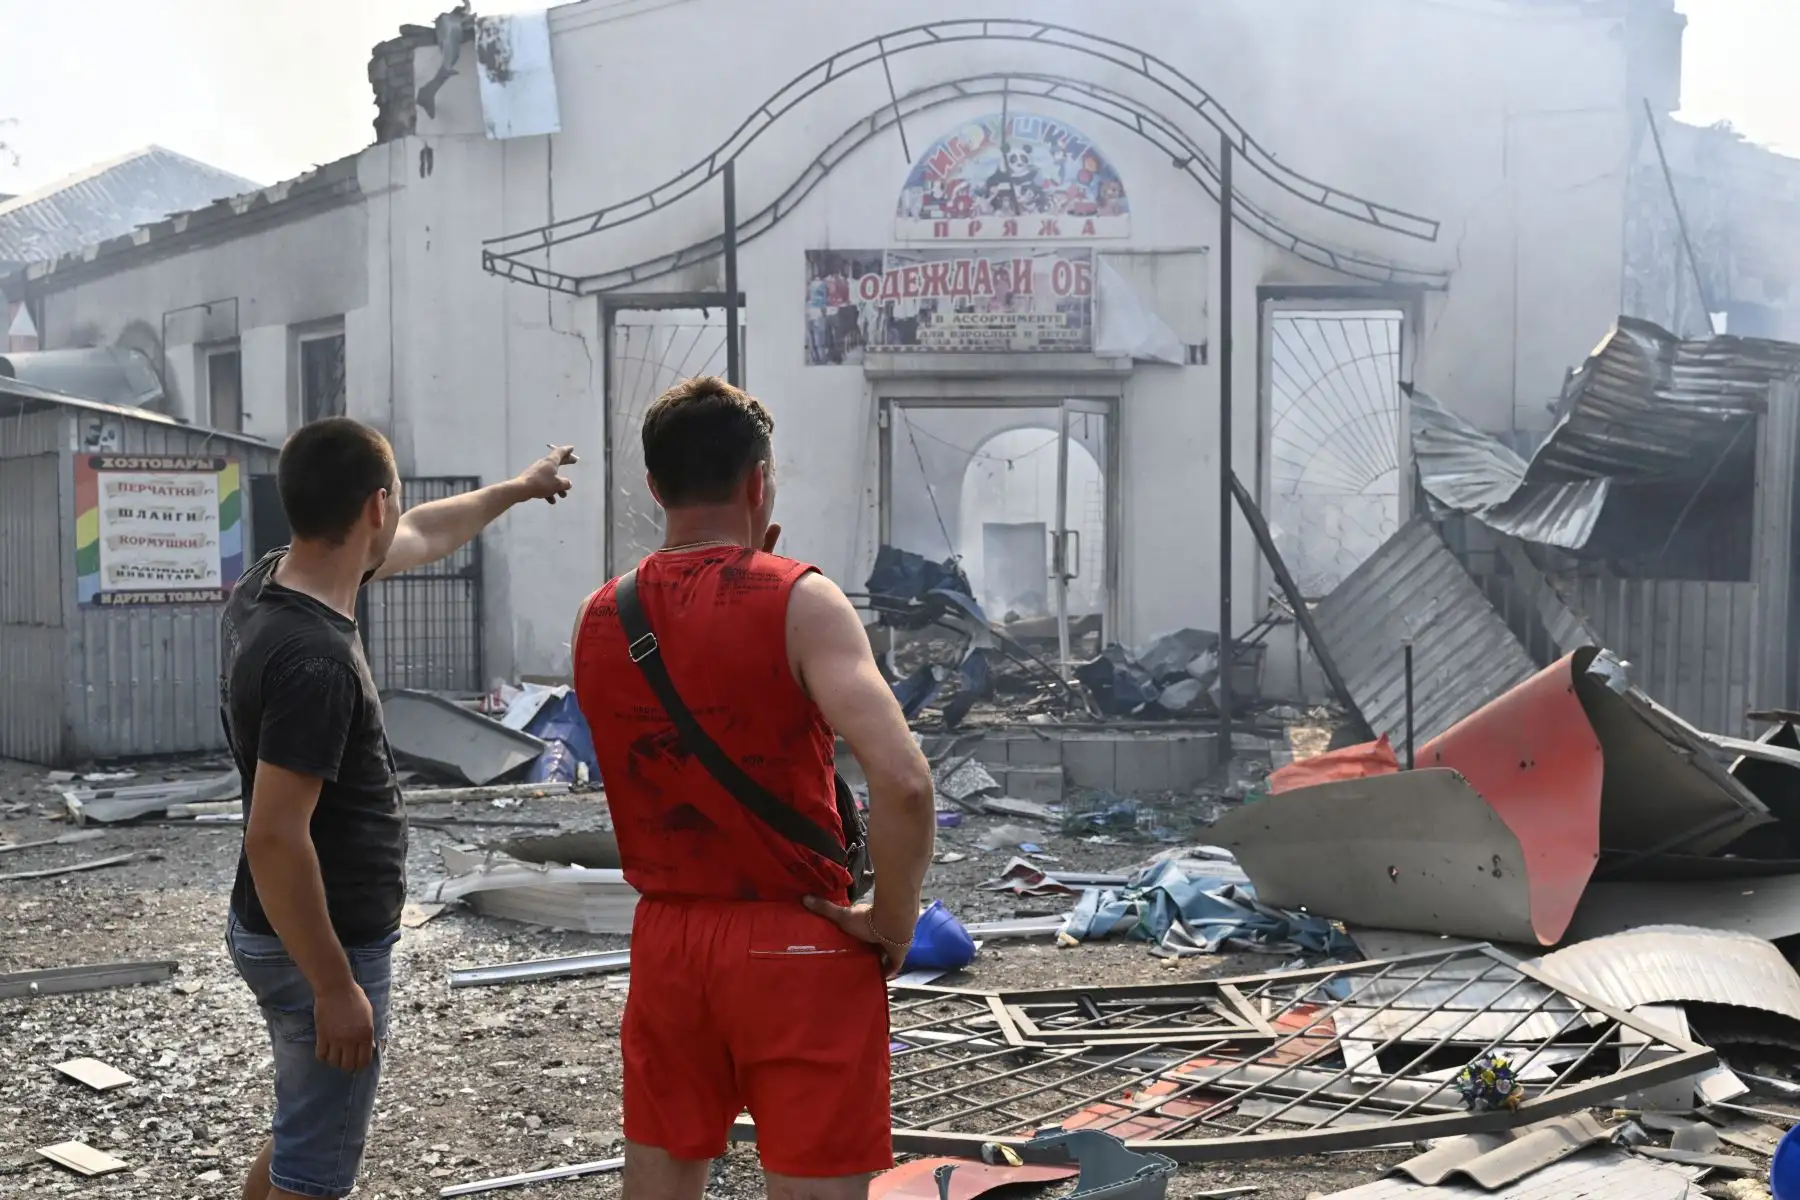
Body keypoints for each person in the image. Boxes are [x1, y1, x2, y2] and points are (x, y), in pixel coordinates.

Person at [571, 376, 935, 1200]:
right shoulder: (800, 599)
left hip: (666, 940)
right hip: (799, 940)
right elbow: (905, 783)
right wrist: (893, 919)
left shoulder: (601, 614)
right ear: (759, 481)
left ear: (656, 487)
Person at [220, 418, 576, 1200]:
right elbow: (277, 835)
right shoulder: (315, 660)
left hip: (279, 926)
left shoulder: (274, 581)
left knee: (300, 1131)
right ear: (373, 506)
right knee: (314, 1172)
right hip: (323, 941)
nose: (401, 520)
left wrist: (518, 488)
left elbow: (423, 533)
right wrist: (334, 987)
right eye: (395, 504)